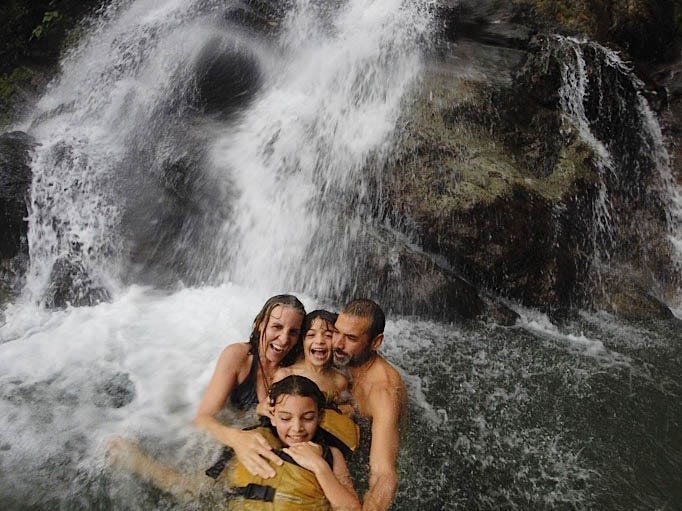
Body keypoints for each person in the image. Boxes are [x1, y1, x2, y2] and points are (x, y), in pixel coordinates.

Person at [109, 375, 361, 511]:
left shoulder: (329, 456)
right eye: (285, 418)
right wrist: (138, 461)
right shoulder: (247, 444)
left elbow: (350, 508)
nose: (297, 428)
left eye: (308, 418)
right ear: (272, 416)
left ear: (319, 417)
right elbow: (193, 490)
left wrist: (319, 467)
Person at [194, 294, 306, 479]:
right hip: (233, 435)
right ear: (260, 324)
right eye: (277, 327)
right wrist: (236, 438)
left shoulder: (296, 368)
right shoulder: (239, 356)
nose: (284, 339)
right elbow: (202, 419)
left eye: (293, 332)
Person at [332, 299, 406, 511]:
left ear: (376, 342)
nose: (337, 343)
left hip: (368, 443)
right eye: (337, 332)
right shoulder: (338, 355)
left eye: (351, 338)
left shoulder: (384, 391)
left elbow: (384, 473)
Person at [259, 309, 359, 455]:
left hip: (318, 439)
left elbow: (346, 407)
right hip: (287, 437)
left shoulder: (339, 380)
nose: (319, 341)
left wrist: (349, 410)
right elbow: (268, 409)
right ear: (302, 341)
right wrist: (261, 408)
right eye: (311, 335)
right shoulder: (286, 374)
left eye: (328, 336)